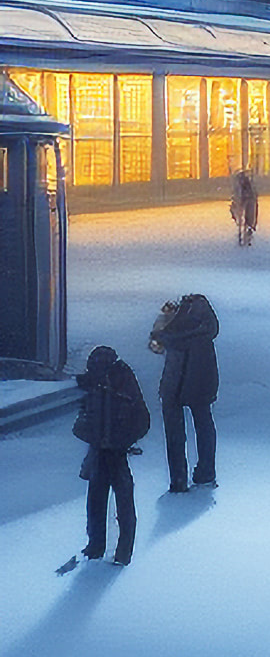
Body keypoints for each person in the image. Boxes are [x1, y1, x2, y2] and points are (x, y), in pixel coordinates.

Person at [73, 345, 149, 566]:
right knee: (98, 499)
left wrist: (121, 440)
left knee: (121, 500)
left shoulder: (121, 382)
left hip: (115, 452)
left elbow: (142, 420)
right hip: (101, 450)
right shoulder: (102, 382)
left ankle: (121, 553)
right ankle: (96, 547)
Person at [149, 292, 219, 492]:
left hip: (174, 383)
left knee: (175, 433)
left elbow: (156, 345)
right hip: (201, 383)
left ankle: (178, 479)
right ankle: (206, 472)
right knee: (204, 425)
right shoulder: (206, 331)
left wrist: (161, 334)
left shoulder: (171, 327)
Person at [229, 169, 258, 247]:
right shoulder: (247, 186)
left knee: (247, 219)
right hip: (245, 200)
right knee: (248, 219)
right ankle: (246, 233)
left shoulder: (242, 185)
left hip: (245, 200)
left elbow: (236, 195)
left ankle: (246, 233)